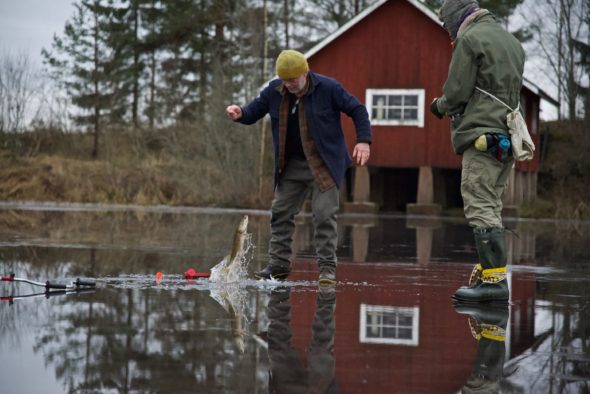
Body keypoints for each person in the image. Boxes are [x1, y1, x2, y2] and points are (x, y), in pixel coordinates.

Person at [226, 49, 372, 284]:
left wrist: (363, 140)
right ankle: (278, 266)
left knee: (324, 215)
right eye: (285, 80)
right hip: (291, 165)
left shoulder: (329, 88)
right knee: (280, 212)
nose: (289, 85)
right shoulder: (274, 91)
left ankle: (326, 269)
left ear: (305, 73)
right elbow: (254, 111)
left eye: (292, 80)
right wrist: (240, 113)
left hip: (324, 164)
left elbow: (357, 110)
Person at [429, 0, 525, 302]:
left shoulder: (470, 39)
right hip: (507, 136)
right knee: (492, 204)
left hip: (481, 135)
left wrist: (438, 106)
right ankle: (491, 278)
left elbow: (457, 92)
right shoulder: (511, 41)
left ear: (456, 18)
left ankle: (494, 285)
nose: (448, 32)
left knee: (479, 204)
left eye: (446, 25)